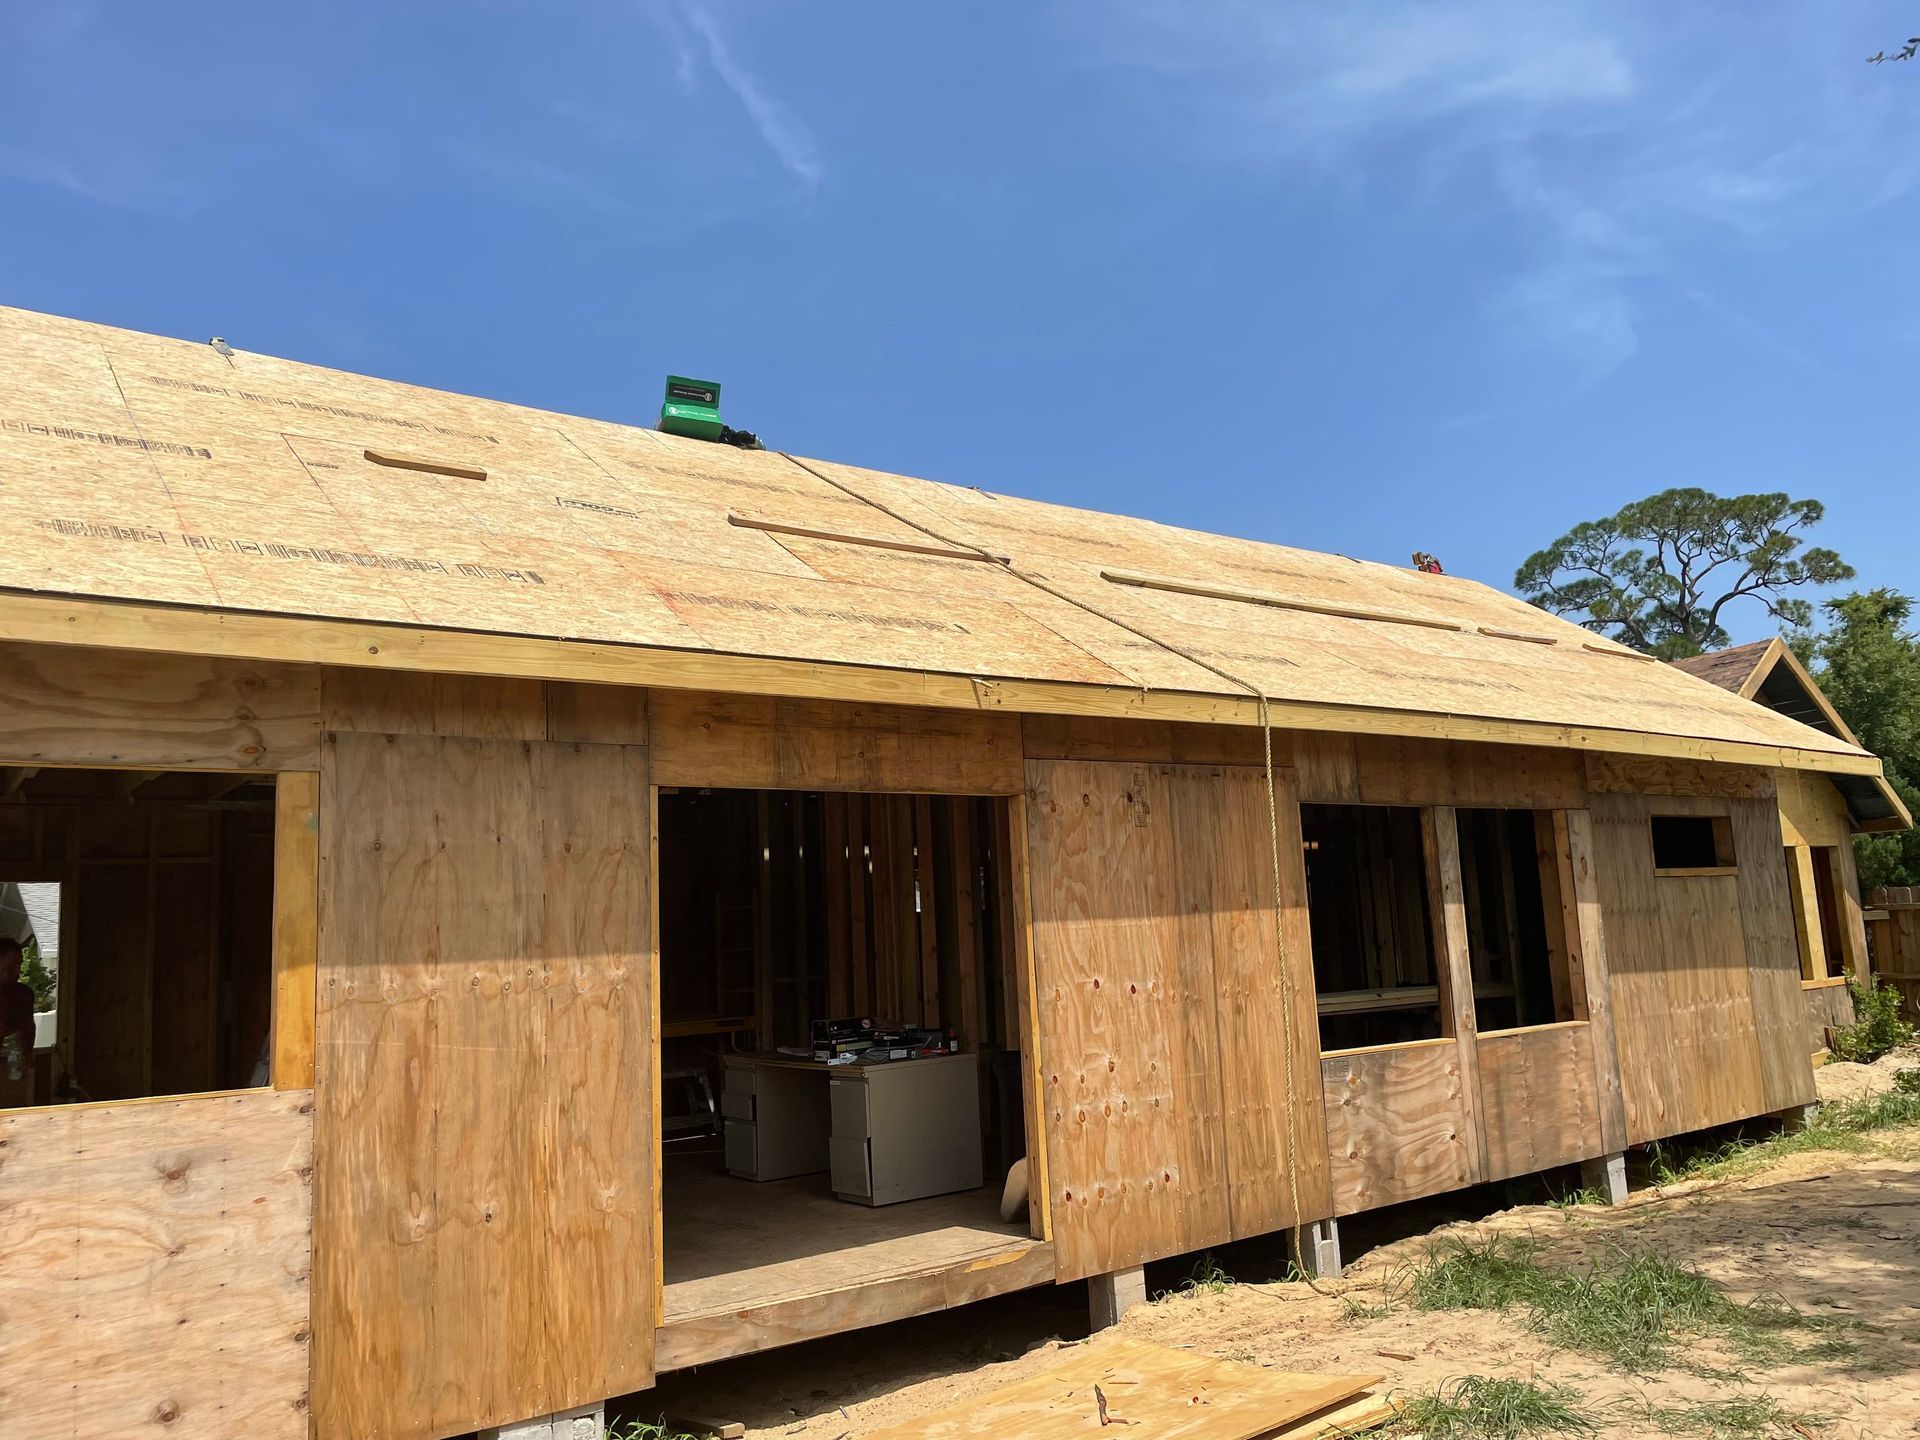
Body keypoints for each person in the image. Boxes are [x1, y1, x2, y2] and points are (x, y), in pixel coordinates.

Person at [0, 937, 36, 1106]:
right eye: (9, 966)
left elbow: (28, 1028)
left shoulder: (21, 995)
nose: (17, 971)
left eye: (19, 965)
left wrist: (26, 1054)